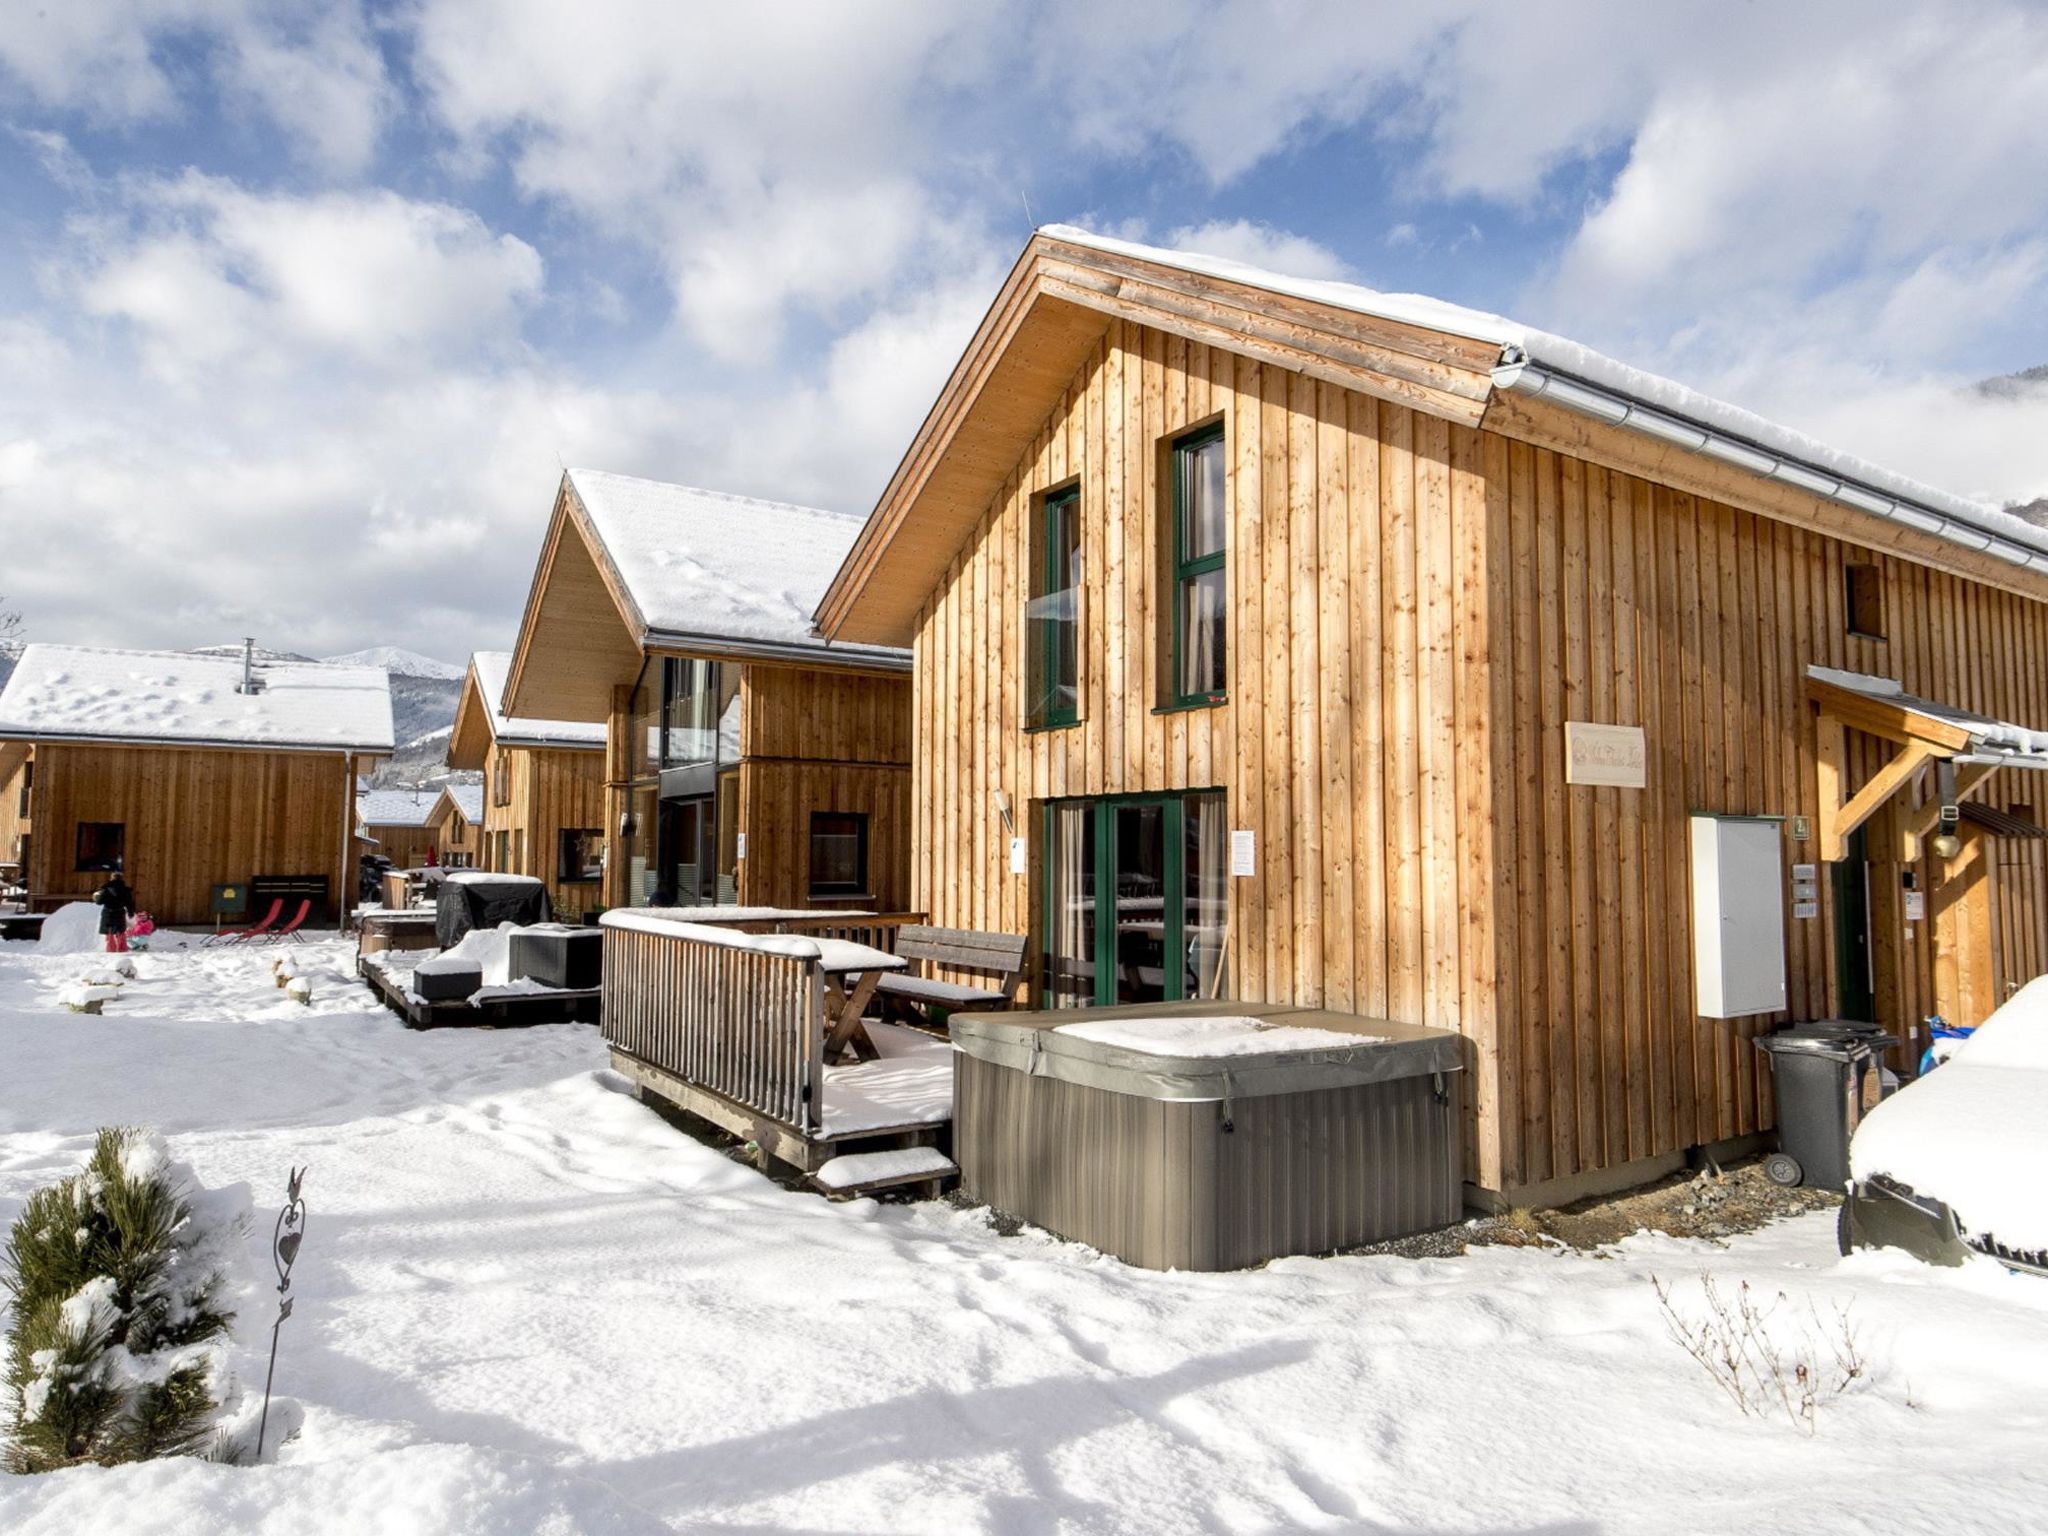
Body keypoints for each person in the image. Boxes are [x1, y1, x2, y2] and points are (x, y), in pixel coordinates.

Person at [95, 871, 137, 953]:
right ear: (121, 879)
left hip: (108, 912)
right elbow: (129, 903)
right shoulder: (125, 890)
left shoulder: (105, 889)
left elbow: (99, 902)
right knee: (120, 931)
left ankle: (111, 949)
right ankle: (121, 948)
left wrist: (97, 896)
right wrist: (130, 913)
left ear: (111, 878)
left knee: (109, 932)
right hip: (119, 912)